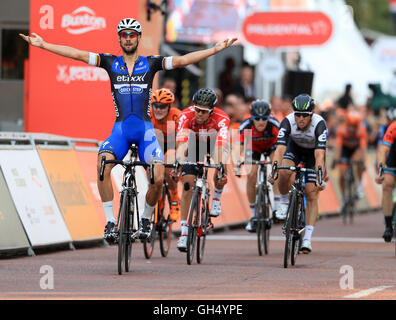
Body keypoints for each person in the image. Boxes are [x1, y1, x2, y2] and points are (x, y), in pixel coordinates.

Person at [19, 18, 237, 241]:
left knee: (158, 177)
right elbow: (77, 53)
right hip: (120, 131)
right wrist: (44, 45)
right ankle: (110, 222)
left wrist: (213, 50)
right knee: (102, 163)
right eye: (124, 35)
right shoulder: (109, 62)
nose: (129, 38)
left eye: (132, 34)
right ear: (119, 39)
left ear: (139, 38)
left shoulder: (151, 63)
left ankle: (145, 219)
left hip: (145, 132)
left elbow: (182, 60)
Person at [269, 94, 328, 254]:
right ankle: (283, 202)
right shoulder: (288, 121)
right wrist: (274, 169)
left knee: (311, 193)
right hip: (294, 148)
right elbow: (280, 149)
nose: (301, 118)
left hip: (312, 153)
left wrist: (319, 175)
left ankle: (307, 238)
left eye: (305, 115)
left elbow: (320, 155)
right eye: (298, 115)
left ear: (311, 115)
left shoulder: (319, 124)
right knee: (284, 171)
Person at [175, 88, 230, 251]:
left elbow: (221, 145)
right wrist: (179, 161)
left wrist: (220, 166)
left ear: (212, 111)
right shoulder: (186, 115)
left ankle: (216, 199)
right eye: (197, 109)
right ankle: (184, 233)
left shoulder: (222, 118)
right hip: (193, 143)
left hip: (214, 142)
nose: (199, 114)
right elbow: (181, 143)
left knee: (222, 162)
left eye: (204, 112)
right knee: (187, 186)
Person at [238, 100, 280, 232]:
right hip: (253, 147)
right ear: (251, 117)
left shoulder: (275, 125)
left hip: (272, 146)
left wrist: (276, 167)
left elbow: (281, 149)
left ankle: (278, 208)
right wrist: (237, 165)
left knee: (277, 168)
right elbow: (238, 149)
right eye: (257, 118)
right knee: (251, 175)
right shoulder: (246, 126)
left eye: (264, 118)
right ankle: (253, 216)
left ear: (269, 117)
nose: (261, 122)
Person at [150, 88, 181, 221]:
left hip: (172, 146)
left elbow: (183, 139)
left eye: (162, 107)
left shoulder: (176, 116)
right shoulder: (149, 115)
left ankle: (174, 198)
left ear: (169, 107)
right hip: (156, 147)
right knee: (151, 174)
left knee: (169, 163)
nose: (158, 109)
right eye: (155, 106)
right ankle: (157, 197)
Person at [332, 110, 367, 204]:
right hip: (345, 150)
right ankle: (343, 197)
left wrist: (363, 163)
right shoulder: (341, 130)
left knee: (359, 160)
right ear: (346, 123)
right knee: (342, 174)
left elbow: (363, 149)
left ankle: (359, 186)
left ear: (358, 125)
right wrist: (335, 160)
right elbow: (338, 147)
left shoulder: (361, 131)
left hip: (356, 150)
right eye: (350, 125)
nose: (351, 129)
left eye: (354, 126)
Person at [375, 120, 396, 242]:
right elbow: (383, 150)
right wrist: (381, 170)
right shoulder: (393, 127)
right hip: (393, 161)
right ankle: (388, 226)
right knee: (387, 185)